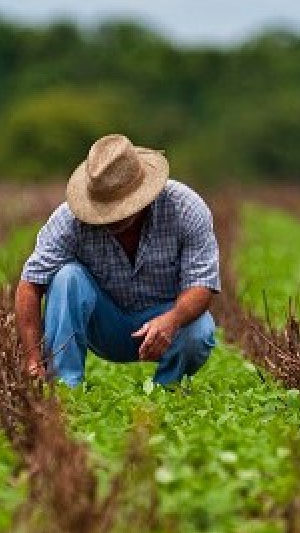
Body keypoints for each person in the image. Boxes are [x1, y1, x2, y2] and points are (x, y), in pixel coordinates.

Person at [16, 133, 220, 387]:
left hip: (165, 318)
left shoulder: (186, 208)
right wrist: (33, 359)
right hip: (105, 324)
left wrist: (172, 320)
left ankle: (167, 391)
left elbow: (202, 285)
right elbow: (29, 284)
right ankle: (64, 387)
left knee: (199, 330)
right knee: (67, 277)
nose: (112, 217)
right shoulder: (69, 220)